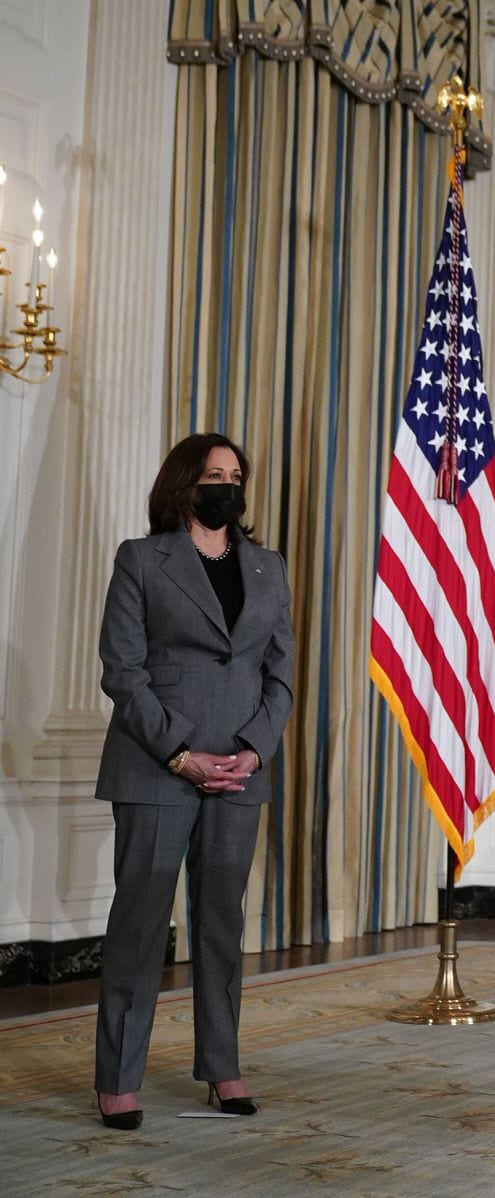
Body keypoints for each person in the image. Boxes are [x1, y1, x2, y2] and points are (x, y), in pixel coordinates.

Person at [92, 433, 294, 1128]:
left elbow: (282, 676)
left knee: (220, 926)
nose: (228, 487)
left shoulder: (269, 566)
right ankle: (118, 1081)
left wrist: (254, 751)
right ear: (185, 485)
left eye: (236, 476)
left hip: (239, 773)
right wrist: (181, 754)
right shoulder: (141, 559)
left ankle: (223, 1068)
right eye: (215, 475)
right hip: (156, 769)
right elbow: (123, 670)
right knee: (140, 927)